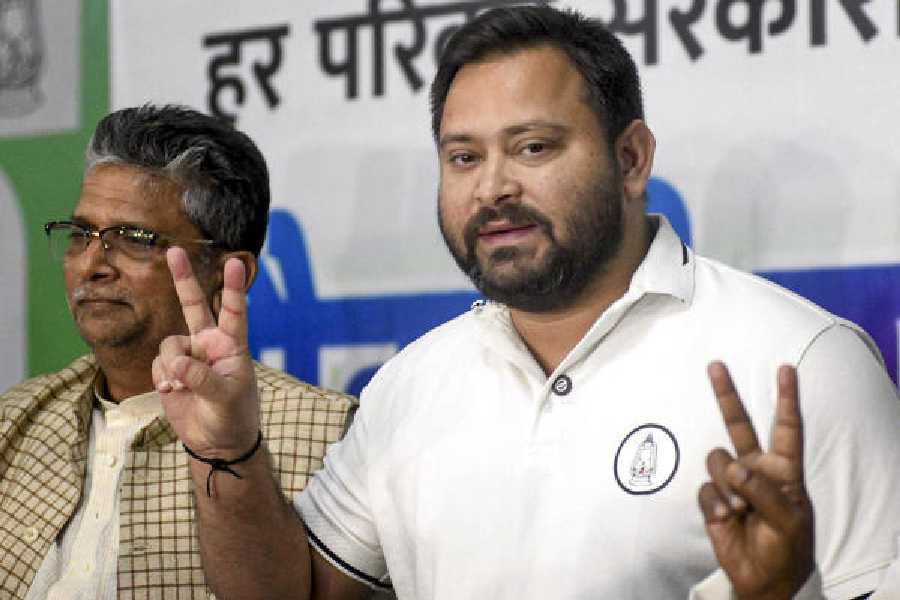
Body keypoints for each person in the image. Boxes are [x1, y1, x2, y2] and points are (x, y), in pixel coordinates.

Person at [153, 6, 900, 600]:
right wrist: (225, 448)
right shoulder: (411, 385)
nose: (492, 187)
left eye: (534, 147)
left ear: (631, 158)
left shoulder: (801, 362)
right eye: (464, 157)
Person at [0, 104, 356, 600]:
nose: (92, 264)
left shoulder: (331, 439)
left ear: (229, 272)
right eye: (82, 234)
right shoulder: (16, 418)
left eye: (134, 239)